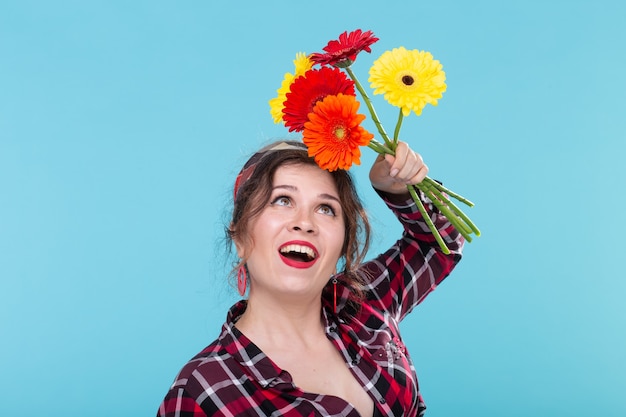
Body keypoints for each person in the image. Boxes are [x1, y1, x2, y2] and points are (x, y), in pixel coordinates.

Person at [157, 139, 464, 417]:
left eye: (326, 208)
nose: (304, 223)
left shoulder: (365, 304)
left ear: (344, 244)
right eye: (282, 201)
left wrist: (398, 188)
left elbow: (442, 240)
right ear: (239, 237)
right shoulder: (201, 391)